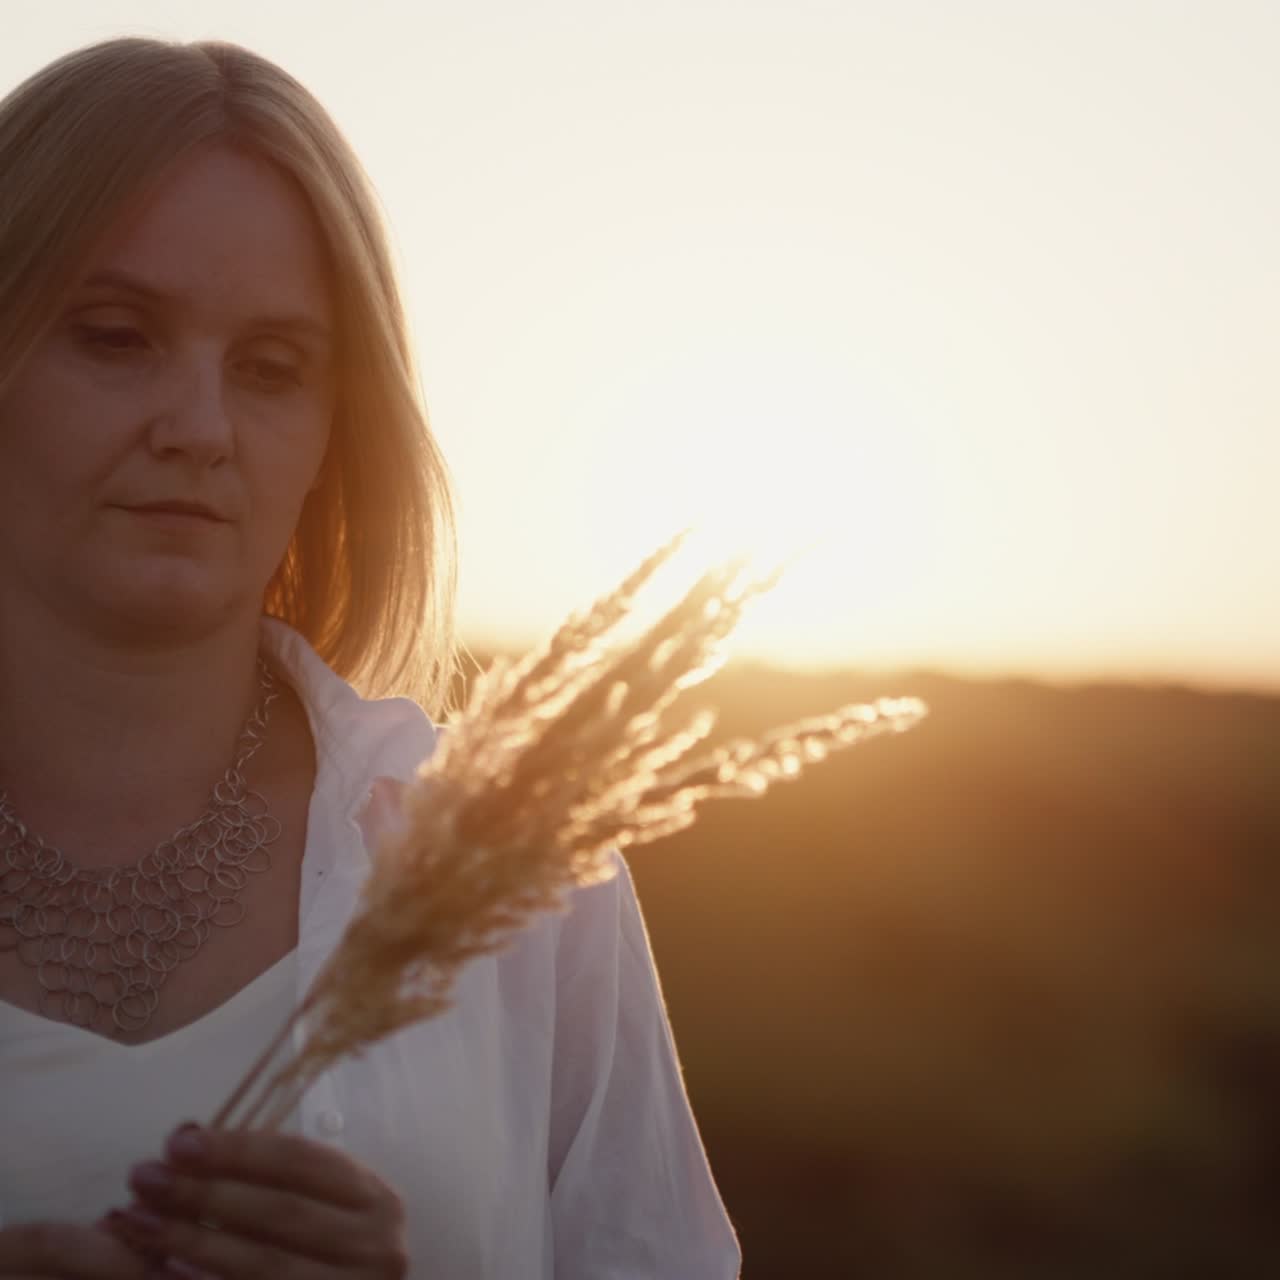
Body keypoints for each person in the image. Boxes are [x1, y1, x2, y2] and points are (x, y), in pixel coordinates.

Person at [0, 36, 741, 1279]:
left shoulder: (518, 881)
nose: (199, 427)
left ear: (334, 435)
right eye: (117, 336)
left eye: (270, 369)